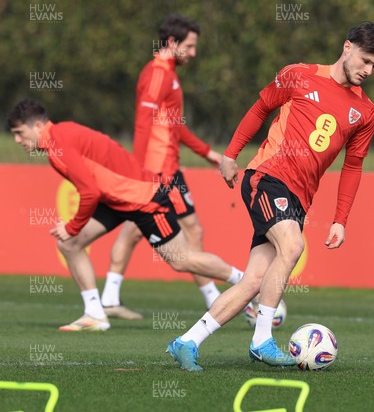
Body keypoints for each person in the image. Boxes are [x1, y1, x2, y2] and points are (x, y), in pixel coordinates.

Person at [166, 21, 374, 371]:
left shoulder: (366, 112)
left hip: (299, 200)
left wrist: (340, 220)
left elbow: (353, 167)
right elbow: (261, 107)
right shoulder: (299, 75)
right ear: (347, 48)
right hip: (267, 179)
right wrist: (230, 154)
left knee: (254, 281)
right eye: (364, 60)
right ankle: (261, 340)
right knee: (293, 246)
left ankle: (187, 341)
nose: (368, 70)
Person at [7, 99, 245, 331]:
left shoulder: (57, 144)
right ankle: (95, 315)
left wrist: (71, 226)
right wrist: (72, 232)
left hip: (144, 199)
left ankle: (247, 282)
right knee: (70, 245)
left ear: (38, 126)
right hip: (116, 199)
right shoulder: (61, 133)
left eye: (19, 132)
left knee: (181, 260)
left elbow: (89, 192)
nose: (17, 140)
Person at [101, 14, 228, 320]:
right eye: (191, 46)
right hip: (158, 172)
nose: (194, 53)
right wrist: (140, 171)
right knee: (180, 230)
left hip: (169, 169)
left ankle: (108, 298)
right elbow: (143, 123)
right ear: (172, 43)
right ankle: (219, 298)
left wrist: (208, 153)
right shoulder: (158, 73)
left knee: (142, 230)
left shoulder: (168, 73)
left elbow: (175, 127)